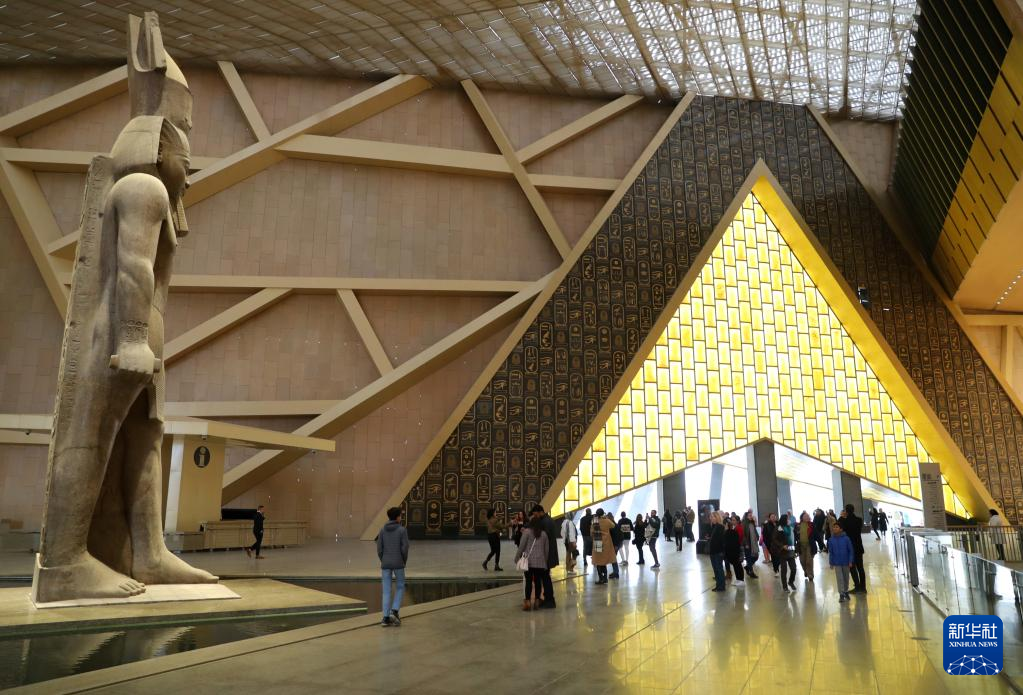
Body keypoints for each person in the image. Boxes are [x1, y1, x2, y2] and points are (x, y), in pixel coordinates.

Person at [377, 507, 409, 626]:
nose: (401, 517)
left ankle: (385, 618)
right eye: (400, 515)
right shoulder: (402, 530)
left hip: (385, 563)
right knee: (400, 586)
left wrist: (383, 559)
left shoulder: (382, 530)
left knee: (386, 590)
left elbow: (379, 548)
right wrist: (403, 560)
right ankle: (394, 610)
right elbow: (405, 548)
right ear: (397, 517)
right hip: (398, 563)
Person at [514, 516, 549, 611]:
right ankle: (537, 601)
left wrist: (517, 558)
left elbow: (521, 546)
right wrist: (545, 562)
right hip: (540, 562)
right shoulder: (544, 534)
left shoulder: (527, 532)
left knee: (528, 582)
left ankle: (528, 602)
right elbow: (546, 550)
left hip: (528, 562)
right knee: (538, 581)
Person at [531, 505, 560, 608]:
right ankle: (548, 598)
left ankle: (550, 600)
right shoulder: (548, 520)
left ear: (539, 512)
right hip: (549, 554)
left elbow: (544, 539)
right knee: (545, 577)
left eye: (535, 515)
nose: (535, 517)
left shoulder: (545, 522)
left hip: (547, 555)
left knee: (545, 577)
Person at [839, 504, 866, 593]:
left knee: (852, 568)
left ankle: (857, 586)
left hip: (849, 547)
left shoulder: (844, 521)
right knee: (860, 567)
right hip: (858, 546)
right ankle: (863, 587)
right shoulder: (859, 520)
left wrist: (842, 517)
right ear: (853, 510)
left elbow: (839, 527)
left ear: (846, 511)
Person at [828, 522, 854, 602]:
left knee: (846, 578)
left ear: (841, 529)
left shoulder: (846, 539)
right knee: (839, 578)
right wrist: (831, 562)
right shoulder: (831, 540)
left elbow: (850, 550)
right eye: (834, 527)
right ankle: (841, 594)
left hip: (846, 562)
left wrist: (850, 561)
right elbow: (831, 552)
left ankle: (846, 591)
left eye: (837, 527)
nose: (835, 528)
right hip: (837, 563)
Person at [771, 513, 797, 592]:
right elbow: (774, 539)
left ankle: (791, 582)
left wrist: (795, 549)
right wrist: (782, 546)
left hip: (791, 550)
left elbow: (793, 538)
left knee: (794, 568)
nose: (789, 520)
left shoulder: (790, 528)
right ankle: (785, 586)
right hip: (782, 551)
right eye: (787, 519)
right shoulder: (778, 528)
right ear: (784, 520)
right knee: (784, 570)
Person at [591, 509, 616, 585]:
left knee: (598, 561)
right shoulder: (606, 520)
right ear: (603, 514)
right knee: (604, 561)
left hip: (597, 541)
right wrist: (606, 518)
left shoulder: (594, 521)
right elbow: (613, 525)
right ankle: (605, 578)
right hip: (606, 543)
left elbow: (591, 532)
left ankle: (601, 578)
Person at [723, 517, 745, 587]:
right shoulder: (731, 531)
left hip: (735, 552)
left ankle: (741, 580)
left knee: (738, 566)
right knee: (736, 566)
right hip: (734, 552)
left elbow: (736, 541)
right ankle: (738, 579)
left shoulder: (732, 531)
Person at [795, 511, 816, 582]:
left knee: (809, 561)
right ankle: (806, 571)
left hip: (809, 545)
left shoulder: (812, 525)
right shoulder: (798, 525)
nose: (807, 517)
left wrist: (821, 544)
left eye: (808, 516)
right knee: (802, 561)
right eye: (805, 516)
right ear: (802, 517)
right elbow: (795, 536)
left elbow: (816, 535)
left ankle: (810, 575)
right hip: (801, 546)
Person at [708, 512, 726, 591]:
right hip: (713, 551)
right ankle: (718, 585)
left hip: (718, 552)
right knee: (716, 569)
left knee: (719, 569)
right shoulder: (714, 526)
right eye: (710, 517)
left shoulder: (720, 527)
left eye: (712, 517)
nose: (711, 518)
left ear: (717, 517)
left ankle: (721, 586)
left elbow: (721, 540)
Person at [741, 510, 759, 579]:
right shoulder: (744, 523)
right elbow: (743, 535)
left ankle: (747, 567)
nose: (751, 517)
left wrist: (757, 537)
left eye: (751, 515)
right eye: (749, 516)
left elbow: (755, 531)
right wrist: (746, 543)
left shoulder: (752, 523)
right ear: (746, 516)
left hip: (753, 543)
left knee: (756, 557)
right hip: (748, 543)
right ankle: (751, 572)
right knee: (749, 558)